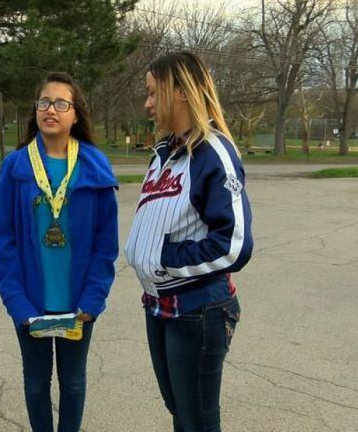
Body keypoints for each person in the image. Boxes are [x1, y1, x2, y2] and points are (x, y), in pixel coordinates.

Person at [124, 51, 253, 431]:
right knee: (181, 412)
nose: (147, 103)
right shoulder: (164, 154)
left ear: (180, 91)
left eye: (152, 93)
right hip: (159, 305)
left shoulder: (212, 152)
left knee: (197, 420)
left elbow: (233, 243)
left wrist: (164, 258)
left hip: (198, 309)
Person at [0, 72, 119, 432]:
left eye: (62, 103)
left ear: (75, 114)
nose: (52, 110)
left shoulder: (94, 166)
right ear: (36, 111)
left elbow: (105, 246)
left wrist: (93, 300)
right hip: (32, 304)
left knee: (73, 382)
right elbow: (3, 242)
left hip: (77, 305)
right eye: (45, 102)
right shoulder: (16, 166)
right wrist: (17, 303)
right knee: (35, 383)